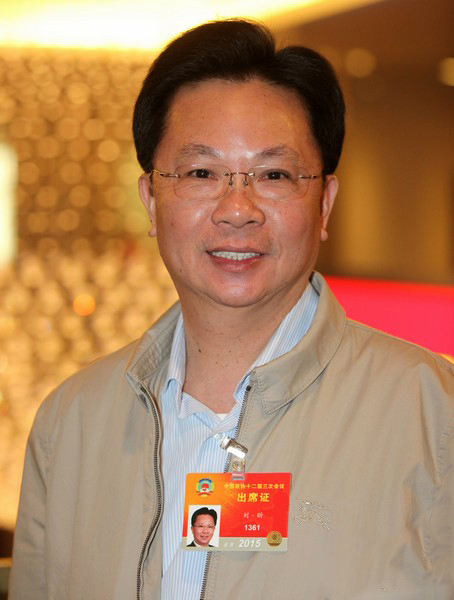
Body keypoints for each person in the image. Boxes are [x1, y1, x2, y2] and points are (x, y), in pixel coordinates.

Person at [9, 18, 454, 600]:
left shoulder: (432, 414)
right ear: (151, 200)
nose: (237, 209)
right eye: (201, 173)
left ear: (324, 203)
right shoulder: (70, 424)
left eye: (274, 174)